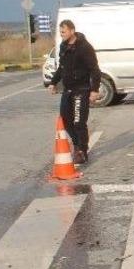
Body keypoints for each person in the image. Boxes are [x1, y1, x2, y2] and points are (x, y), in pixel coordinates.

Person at [45, 20, 101, 165]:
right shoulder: (63, 47)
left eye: (63, 32)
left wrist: (94, 90)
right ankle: (76, 144)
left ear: (72, 31)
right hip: (67, 90)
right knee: (65, 120)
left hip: (81, 90)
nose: (61, 34)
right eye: (60, 32)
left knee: (79, 122)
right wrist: (53, 82)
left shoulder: (84, 47)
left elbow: (95, 69)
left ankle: (82, 150)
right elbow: (61, 67)